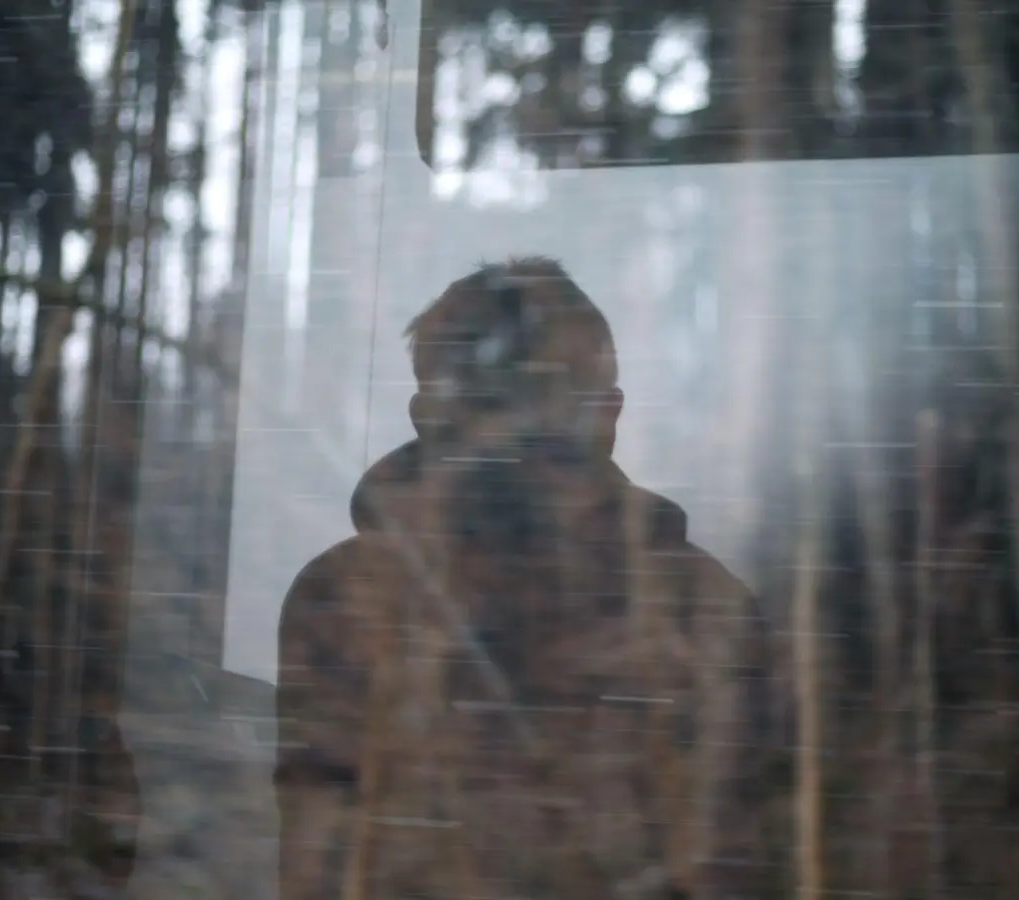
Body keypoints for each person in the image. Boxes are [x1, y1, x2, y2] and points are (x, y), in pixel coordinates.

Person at [275, 257, 771, 900]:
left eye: (539, 403)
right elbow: (320, 852)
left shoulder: (698, 606)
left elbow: (735, 856)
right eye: (490, 401)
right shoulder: (349, 600)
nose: (514, 434)